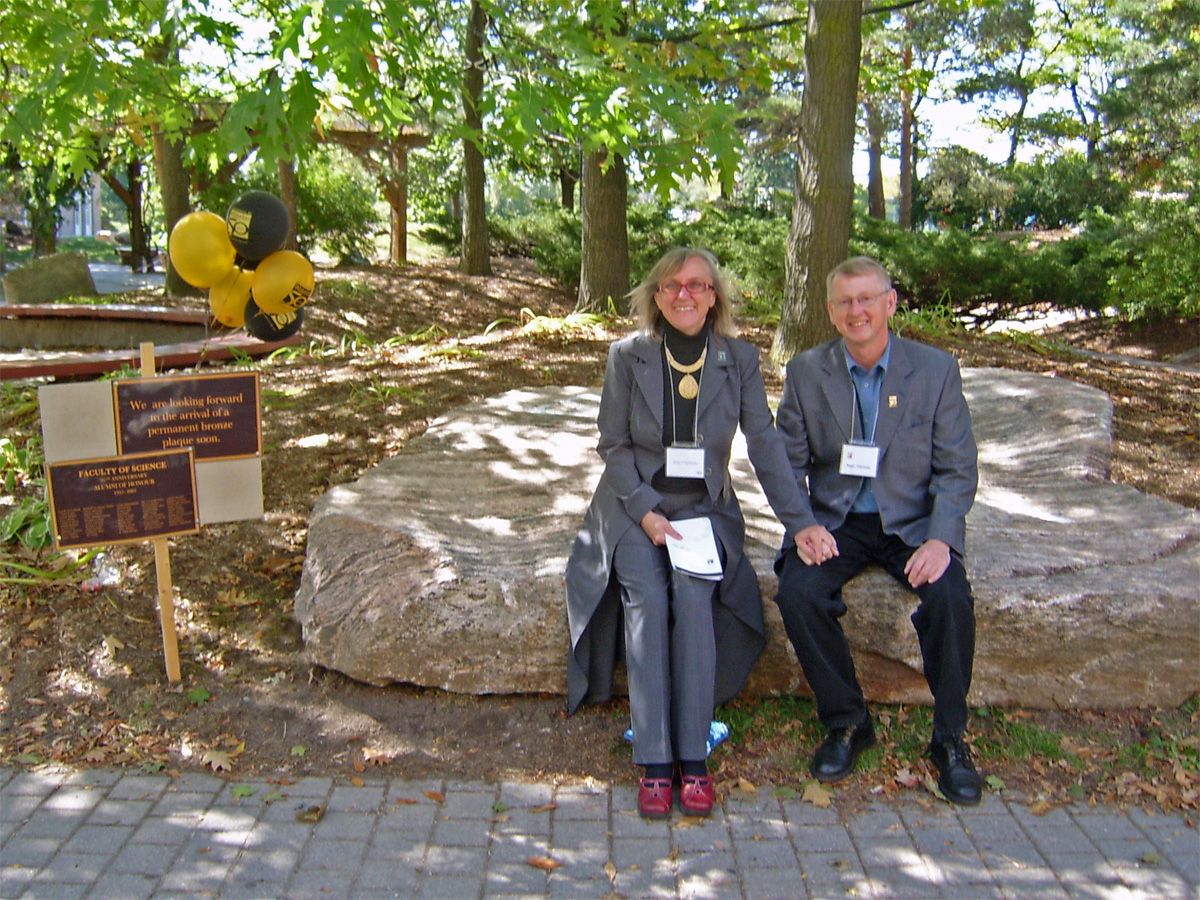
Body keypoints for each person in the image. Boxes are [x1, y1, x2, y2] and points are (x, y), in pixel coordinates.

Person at [565, 247, 809, 819]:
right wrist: (648, 511)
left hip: (704, 510)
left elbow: (766, 446)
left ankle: (693, 755)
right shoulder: (627, 356)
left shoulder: (740, 359)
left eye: (698, 285)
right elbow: (613, 446)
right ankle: (653, 760)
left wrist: (802, 523)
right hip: (632, 506)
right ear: (655, 296)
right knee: (647, 594)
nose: (685, 295)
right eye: (672, 285)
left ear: (714, 296)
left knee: (694, 595)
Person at [772, 255, 983, 806]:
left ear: (890, 303)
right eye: (845, 301)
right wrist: (802, 524)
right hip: (836, 520)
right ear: (830, 311)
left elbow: (958, 467)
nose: (856, 310)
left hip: (911, 522)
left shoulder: (935, 370)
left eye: (868, 298)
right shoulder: (806, 372)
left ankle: (949, 739)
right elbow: (784, 461)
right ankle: (847, 721)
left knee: (950, 598)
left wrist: (941, 538)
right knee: (798, 593)